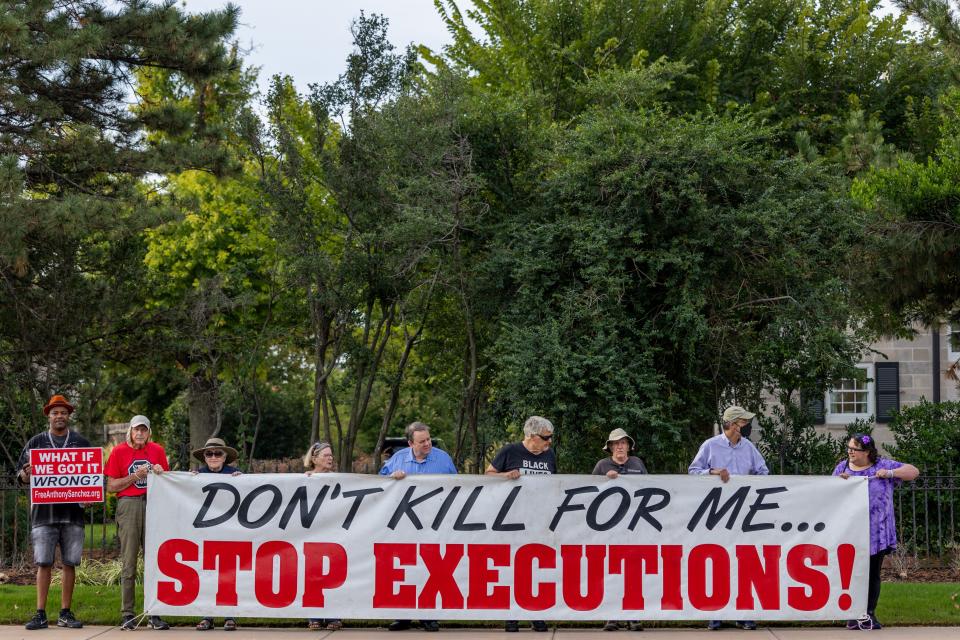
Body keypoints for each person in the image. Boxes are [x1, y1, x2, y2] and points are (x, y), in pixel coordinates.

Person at [688, 406, 767, 631]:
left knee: (743, 564)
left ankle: (743, 614)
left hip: (743, 516)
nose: (747, 426)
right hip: (715, 515)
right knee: (717, 563)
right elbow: (693, 471)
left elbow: (763, 472)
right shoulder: (710, 446)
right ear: (733, 424)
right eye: (744, 422)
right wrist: (711, 472)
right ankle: (716, 613)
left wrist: (752, 483)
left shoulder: (749, 447)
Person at [16, 395, 90, 630]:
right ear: (48, 415)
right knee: (44, 563)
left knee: (70, 563)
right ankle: (40, 614)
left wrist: (89, 496)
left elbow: (91, 478)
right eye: (55, 412)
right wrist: (26, 475)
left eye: (63, 412)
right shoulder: (36, 443)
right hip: (44, 514)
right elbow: (20, 477)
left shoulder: (80, 442)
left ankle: (65, 613)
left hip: (73, 514)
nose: (59, 416)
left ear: (69, 416)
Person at [834, 433, 919, 630]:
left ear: (867, 452)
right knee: (851, 573)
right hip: (851, 530)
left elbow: (913, 471)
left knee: (872, 573)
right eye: (849, 448)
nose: (850, 452)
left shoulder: (883, 465)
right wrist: (840, 481)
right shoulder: (843, 467)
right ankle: (852, 613)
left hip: (877, 532)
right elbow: (832, 492)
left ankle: (868, 614)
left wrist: (890, 474)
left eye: (854, 449)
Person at [380, 422, 457, 632]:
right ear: (410, 443)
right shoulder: (397, 459)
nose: (427, 444)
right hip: (403, 524)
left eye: (429, 439)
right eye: (422, 441)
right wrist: (391, 478)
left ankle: (428, 616)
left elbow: (459, 488)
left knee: (430, 569)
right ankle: (403, 616)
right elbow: (380, 487)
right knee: (404, 568)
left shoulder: (443, 459)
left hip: (434, 523)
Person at [486, 416, 556, 633]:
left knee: (537, 568)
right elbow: (488, 475)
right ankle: (512, 616)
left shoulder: (549, 455)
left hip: (540, 520)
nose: (549, 442)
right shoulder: (510, 451)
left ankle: (536, 614)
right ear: (531, 436)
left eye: (551, 438)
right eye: (546, 438)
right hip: (512, 520)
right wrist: (505, 475)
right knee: (513, 568)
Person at [105, 415, 170, 631]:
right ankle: (128, 614)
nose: (140, 433)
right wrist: (135, 476)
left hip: (153, 503)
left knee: (155, 560)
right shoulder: (119, 452)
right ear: (130, 432)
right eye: (136, 430)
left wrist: (161, 474)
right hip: (129, 504)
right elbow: (112, 486)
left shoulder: (157, 450)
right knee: (129, 560)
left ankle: (154, 613)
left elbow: (168, 482)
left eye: (144, 430)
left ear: (149, 432)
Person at [593, 428, 646, 632]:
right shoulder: (602, 465)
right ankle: (611, 617)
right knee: (611, 571)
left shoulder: (637, 463)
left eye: (623, 442)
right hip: (609, 527)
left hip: (634, 526)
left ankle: (633, 617)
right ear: (610, 448)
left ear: (629, 446)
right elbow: (589, 492)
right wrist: (605, 480)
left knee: (633, 572)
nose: (620, 446)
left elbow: (649, 488)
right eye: (616, 443)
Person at [192, 438, 242, 631]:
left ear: (225, 456)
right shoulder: (199, 474)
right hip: (206, 533)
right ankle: (207, 616)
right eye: (209, 454)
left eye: (217, 453)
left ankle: (229, 616)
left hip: (229, 532)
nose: (213, 457)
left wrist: (244, 481)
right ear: (204, 457)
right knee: (207, 573)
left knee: (228, 573)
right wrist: (188, 481)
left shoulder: (235, 474)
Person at [303, 441, 342, 631]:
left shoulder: (339, 479)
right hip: (312, 534)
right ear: (314, 458)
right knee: (313, 573)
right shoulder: (304, 479)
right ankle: (315, 615)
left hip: (334, 533)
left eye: (331, 454)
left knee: (334, 574)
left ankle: (334, 615)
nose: (330, 458)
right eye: (326, 455)